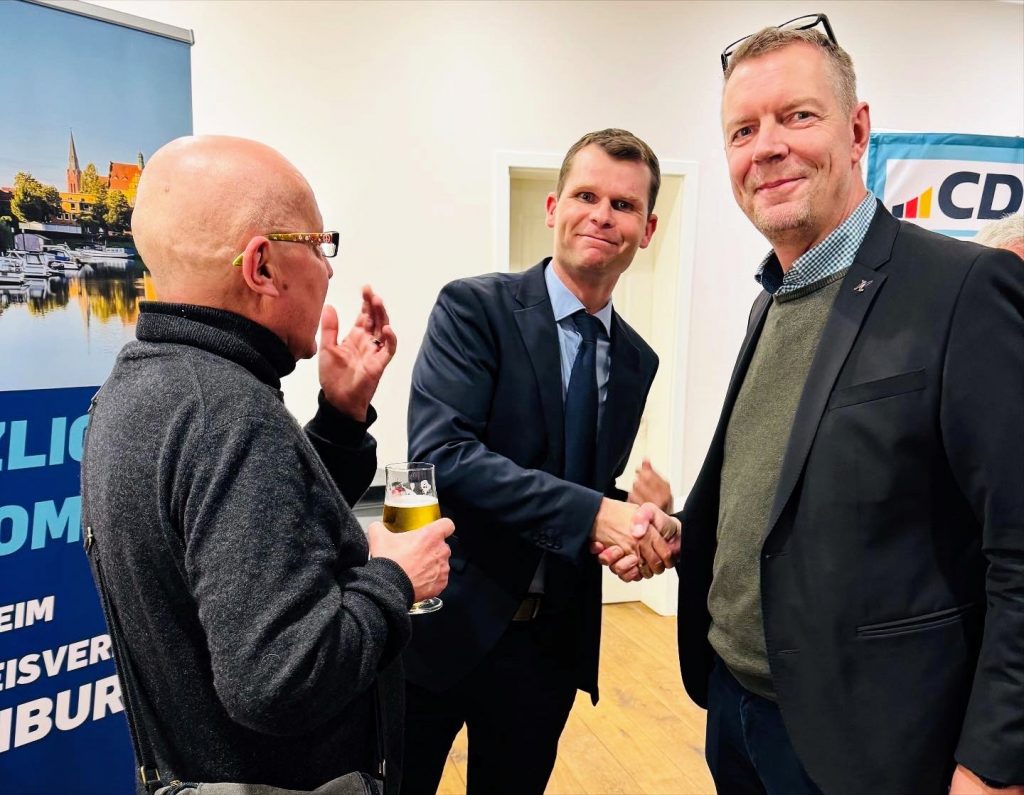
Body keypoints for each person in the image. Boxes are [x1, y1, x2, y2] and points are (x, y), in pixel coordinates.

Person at [602, 19, 1024, 795]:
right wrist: (685, 534)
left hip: (867, 743)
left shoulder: (964, 289)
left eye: (797, 116)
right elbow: (790, 499)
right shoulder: (772, 299)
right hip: (734, 708)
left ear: (857, 131)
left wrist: (995, 764)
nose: (766, 147)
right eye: (742, 130)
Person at [80, 135, 453, 794]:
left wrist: (340, 419)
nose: (328, 269)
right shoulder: (231, 413)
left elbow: (250, 537)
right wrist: (394, 577)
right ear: (261, 266)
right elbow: (280, 680)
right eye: (318, 244)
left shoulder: (140, 385)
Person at [400, 129, 678, 795]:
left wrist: (643, 524)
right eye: (586, 196)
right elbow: (442, 455)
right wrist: (599, 514)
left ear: (647, 229)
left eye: (624, 204)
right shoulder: (474, 308)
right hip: (443, 624)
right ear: (554, 208)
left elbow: (580, 480)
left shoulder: (637, 360)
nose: (602, 215)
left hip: (548, 647)